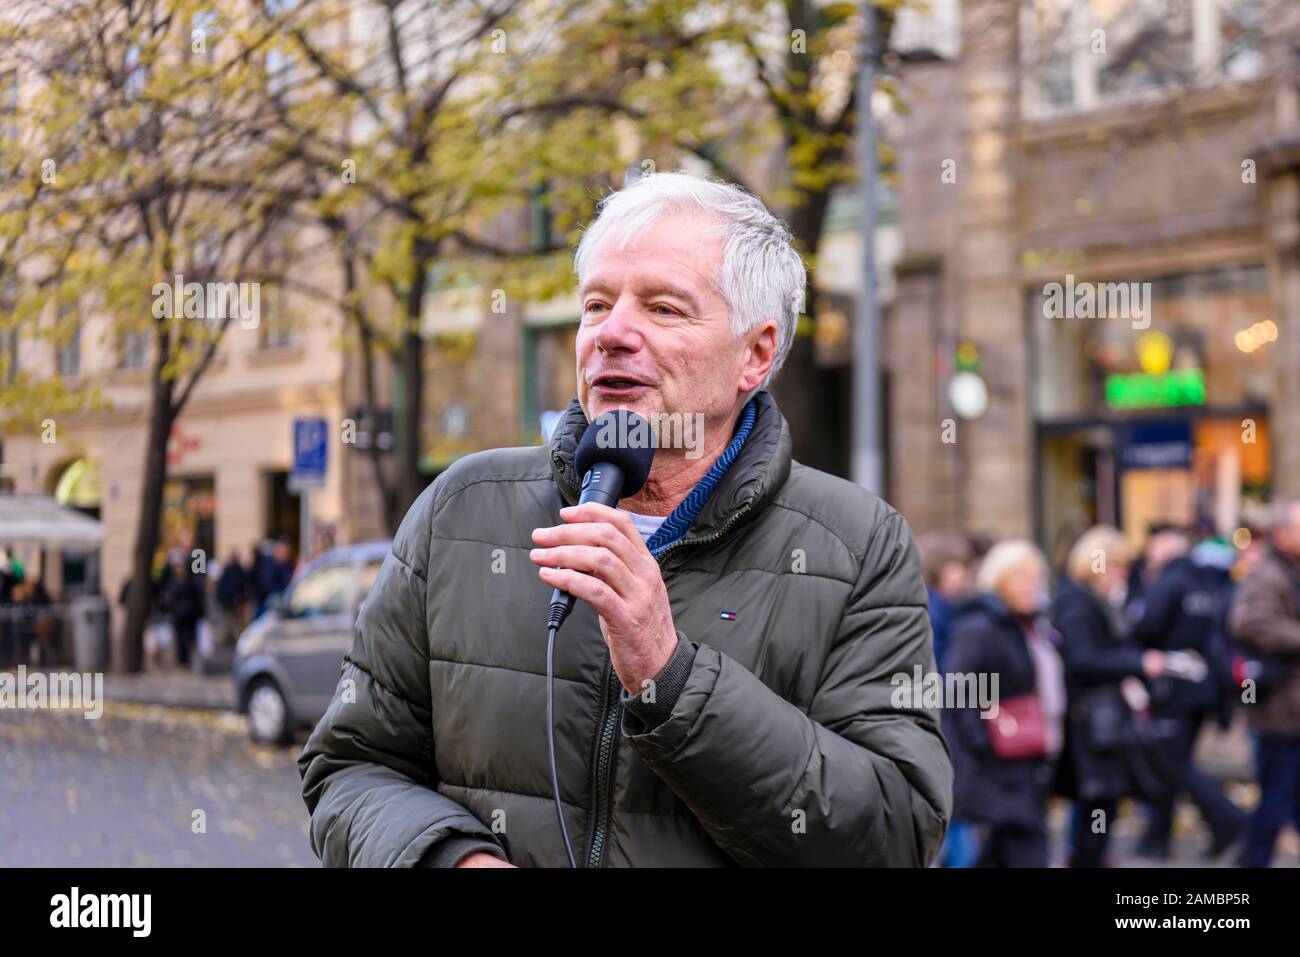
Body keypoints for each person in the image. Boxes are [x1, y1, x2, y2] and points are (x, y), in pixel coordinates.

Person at [299, 172, 953, 867]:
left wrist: (669, 676)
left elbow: (896, 833)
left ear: (754, 355)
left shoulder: (857, 544)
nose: (611, 333)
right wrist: (448, 858)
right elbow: (349, 766)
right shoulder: (462, 507)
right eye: (597, 304)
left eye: (664, 308)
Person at [943, 541, 1066, 867]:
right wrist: (985, 741)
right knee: (1027, 849)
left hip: (1027, 759)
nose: (1032, 586)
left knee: (1001, 853)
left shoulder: (1029, 625)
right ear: (999, 579)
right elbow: (957, 689)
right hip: (999, 763)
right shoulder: (979, 627)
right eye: (1021, 577)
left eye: (1037, 577)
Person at [1052, 525, 1169, 868]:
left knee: (1097, 807)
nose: (1120, 575)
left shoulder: (1091, 600)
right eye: (1115, 567)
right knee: (1097, 805)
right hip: (1092, 722)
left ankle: (1088, 856)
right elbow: (1083, 659)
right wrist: (1138, 663)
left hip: (1100, 719)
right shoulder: (1078, 603)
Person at [1129, 534, 1247, 860]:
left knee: (1171, 763)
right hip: (1204, 690)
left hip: (1172, 688)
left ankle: (1227, 818)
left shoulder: (1171, 583)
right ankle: (1157, 838)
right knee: (1172, 763)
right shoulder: (1209, 586)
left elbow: (1144, 628)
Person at [1228, 498, 1300, 867]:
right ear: (1284, 533)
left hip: (1291, 707)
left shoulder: (1289, 570)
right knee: (1276, 796)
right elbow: (1250, 623)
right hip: (1280, 710)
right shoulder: (1268, 574)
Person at [162, 556, 206, 668]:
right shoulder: (186, 582)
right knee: (183, 638)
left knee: (186, 638)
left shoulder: (183, 583)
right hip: (183, 613)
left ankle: (186, 659)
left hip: (186, 614)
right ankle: (184, 659)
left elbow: (195, 598)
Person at [215, 549, 250, 645]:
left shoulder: (234, 569)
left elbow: (239, 585)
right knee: (230, 618)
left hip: (231, 599)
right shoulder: (232, 569)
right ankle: (230, 636)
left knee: (233, 619)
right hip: (229, 599)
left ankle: (231, 636)